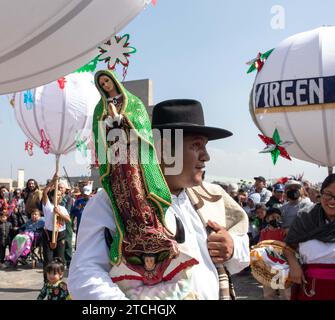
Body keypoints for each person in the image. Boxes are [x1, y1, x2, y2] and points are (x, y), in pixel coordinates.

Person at [69, 94, 249, 299]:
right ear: (162, 149)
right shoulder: (114, 200)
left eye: (205, 146)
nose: (206, 156)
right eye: (196, 145)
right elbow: (84, 275)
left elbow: (244, 252)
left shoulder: (213, 196)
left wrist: (232, 247)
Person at [284, 173, 335, 300]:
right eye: (327, 194)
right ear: (320, 194)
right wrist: (294, 265)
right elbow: (289, 247)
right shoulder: (305, 218)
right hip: (310, 289)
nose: (332, 200)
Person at [42, 180, 71, 281]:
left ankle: (58, 281)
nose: (58, 197)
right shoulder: (47, 206)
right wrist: (53, 181)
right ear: (52, 197)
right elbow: (44, 192)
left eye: (60, 195)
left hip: (60, 234)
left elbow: (68, 220)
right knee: (48, 260)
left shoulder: (62, 208)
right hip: (48, 234)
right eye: (56, 195)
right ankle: (47, 282)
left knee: (60, 259)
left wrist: (59, 213)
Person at [258, 207, 289, 300]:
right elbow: (261, 246)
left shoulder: (283, 232)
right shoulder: (264, 232)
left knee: (285, 292)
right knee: (268, 293)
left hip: (283, 265)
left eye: (278, 217)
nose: (275, 219)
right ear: (267, 219)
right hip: (268, 264)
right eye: (273, 217)